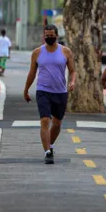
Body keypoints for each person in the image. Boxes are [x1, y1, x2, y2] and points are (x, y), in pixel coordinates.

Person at [23, 24, 76, 164]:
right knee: (45, 120)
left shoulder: (66, 52)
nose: (49, 38)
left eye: (52, 36)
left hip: (60, 92)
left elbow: (73, 71)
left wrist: (72, 81)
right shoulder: (37, 52)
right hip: (43, 91)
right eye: (47, 36)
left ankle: (50, 144)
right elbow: (32, 73)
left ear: (57, 36)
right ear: (44, 36)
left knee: (57, 123)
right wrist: (26, 89)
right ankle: (47, 152)